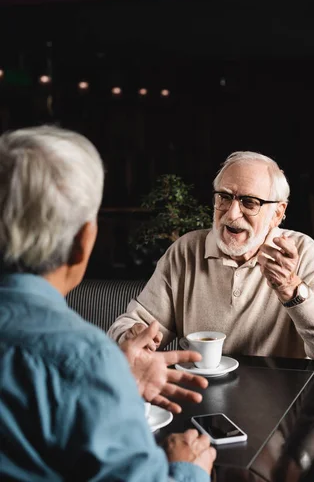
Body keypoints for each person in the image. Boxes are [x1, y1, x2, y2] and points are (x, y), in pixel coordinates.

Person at [0, 125, 216, 482]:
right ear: (83, 242)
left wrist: (114, 386)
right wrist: (188, 469)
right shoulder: (83, 358)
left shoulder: (88, 364)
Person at [108, 151, 314, 367]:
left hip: (280, 403)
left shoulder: (303, 252)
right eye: (224, 197)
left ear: (277, 213)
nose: (232, 213)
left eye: (249, 202)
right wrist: (129, 336)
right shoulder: (186, 250)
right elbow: (133, 324)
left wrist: (291, 289)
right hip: (199, 396)